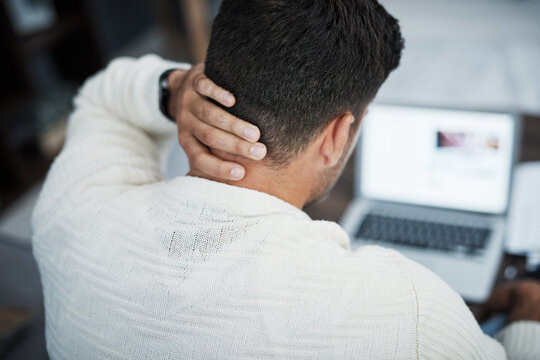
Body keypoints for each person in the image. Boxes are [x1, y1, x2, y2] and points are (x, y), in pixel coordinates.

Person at [32, 0, 540, 359]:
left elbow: (100, 96)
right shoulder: (410, 314)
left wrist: (171, 88)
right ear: (338, 135)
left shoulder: (72, 212)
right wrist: (529, 317)